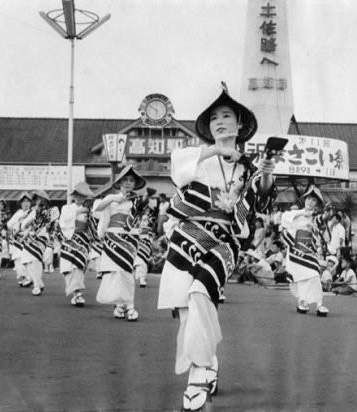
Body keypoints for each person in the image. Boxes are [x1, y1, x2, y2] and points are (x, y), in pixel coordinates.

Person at [155, 87, 277, 411]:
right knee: (185, 312)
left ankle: (197, 380)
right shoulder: (196, 157)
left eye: (226, 116)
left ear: (239, 124)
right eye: (214, 118)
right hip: (186, 239)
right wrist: (216, 151)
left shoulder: (248, 168)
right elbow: (178, 170)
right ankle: (208, 363)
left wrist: (264, 173)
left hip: (223, 242)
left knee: (200, 294)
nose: (220, 122)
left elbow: (261, 196)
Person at [95, 165, 150, 321]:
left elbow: (141, 220)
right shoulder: (111, 199)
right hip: (112, 238)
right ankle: (120, 305)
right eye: (125, 180)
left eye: (131, 180)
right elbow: (96, 209)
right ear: (119, 183)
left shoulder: (138, 201)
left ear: (134, 184)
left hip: (129, 239)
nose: (128, 183)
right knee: (115, 273)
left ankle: (130, 306)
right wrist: (113, 198)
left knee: (126, 272)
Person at [280, 185, 329, 317]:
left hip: (309, 251)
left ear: (317, 203)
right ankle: (302, 302)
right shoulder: (296, 214)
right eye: (309, 198)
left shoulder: (316, 218)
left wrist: (319, 222)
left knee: (314, 275)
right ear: (305, 199)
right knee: (301, 278)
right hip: (296, 250)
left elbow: (322, 234)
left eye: (314, 200)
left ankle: (319, 304)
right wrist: (303, 213)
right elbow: (284, 220)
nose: (310, 202)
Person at [59, 182, 96, 307]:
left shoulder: (89, 210)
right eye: (77, 195)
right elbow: (63, 221)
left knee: (78, 267)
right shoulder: (67, 208)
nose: (79, 198)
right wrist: (78, 212)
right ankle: (75, 293)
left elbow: (92, 225)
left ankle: (78, 293)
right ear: (74, 196)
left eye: (82, 196)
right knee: (68, 267)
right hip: (70, 239)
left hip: (83, 240)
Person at [20, 190, 60, 296]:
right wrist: (30, 221)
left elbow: (52, 224)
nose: (39, 201)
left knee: (35, 260)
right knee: (25, 259)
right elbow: (24, 225)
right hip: (31, 236)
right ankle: (39, 282)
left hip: (42, 237)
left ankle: (36, 285)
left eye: (40, 199)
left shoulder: (53, 210)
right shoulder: (33, 211)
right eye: (37, 199)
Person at [7, 192, 34, 286]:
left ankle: (29, 278)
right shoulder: (18, 213)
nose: (26, 204)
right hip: (17, 240)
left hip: (28, 238)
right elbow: (9, 225)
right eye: (23, 202)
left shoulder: (33, 212)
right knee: (18, 259)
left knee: (27, 259)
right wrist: (19, 219)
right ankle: (23, 278)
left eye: (28, 201)